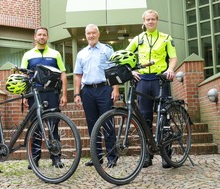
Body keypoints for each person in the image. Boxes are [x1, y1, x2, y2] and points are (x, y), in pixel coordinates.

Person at [125, 9, 178, 168]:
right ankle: (147, 156)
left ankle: (166, 155)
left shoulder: (166, 38)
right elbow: (126, 55)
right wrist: (131, 70)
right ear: (144, 21)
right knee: (145, 118)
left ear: (157, 20)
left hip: (160, 80)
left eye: (153, 19)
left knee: (164, 117)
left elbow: (173, 57)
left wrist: (170, 69)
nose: (150, 22)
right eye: (147, 19)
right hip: (143, 80)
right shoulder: (138, 39)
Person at [21, 26, 68, 169]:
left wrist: (64, 94)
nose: (42, 37)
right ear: (35, 37)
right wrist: (24, 95)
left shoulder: (55, 54)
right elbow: (24, 76)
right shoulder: (27, 55)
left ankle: (56, 158)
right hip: (34, 94)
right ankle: (34, 159)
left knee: (53, 125)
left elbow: (63, 74)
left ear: (47, 37)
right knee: (35, 127)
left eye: (44, 35)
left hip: (52, 93)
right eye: (39, 35)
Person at [74, 24, 119, 168]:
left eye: (93, 33)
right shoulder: (81, 53)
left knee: (107, 124)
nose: (91, 36)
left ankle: (112, 156)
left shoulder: (107, 49)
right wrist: (76, 94)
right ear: (85, 35)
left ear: (98, 34)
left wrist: (115, 89)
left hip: (104, 89)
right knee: (92, 125)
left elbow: (114, 70)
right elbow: (78, 75)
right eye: (88, 33)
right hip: (87, 92)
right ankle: (97, 157)